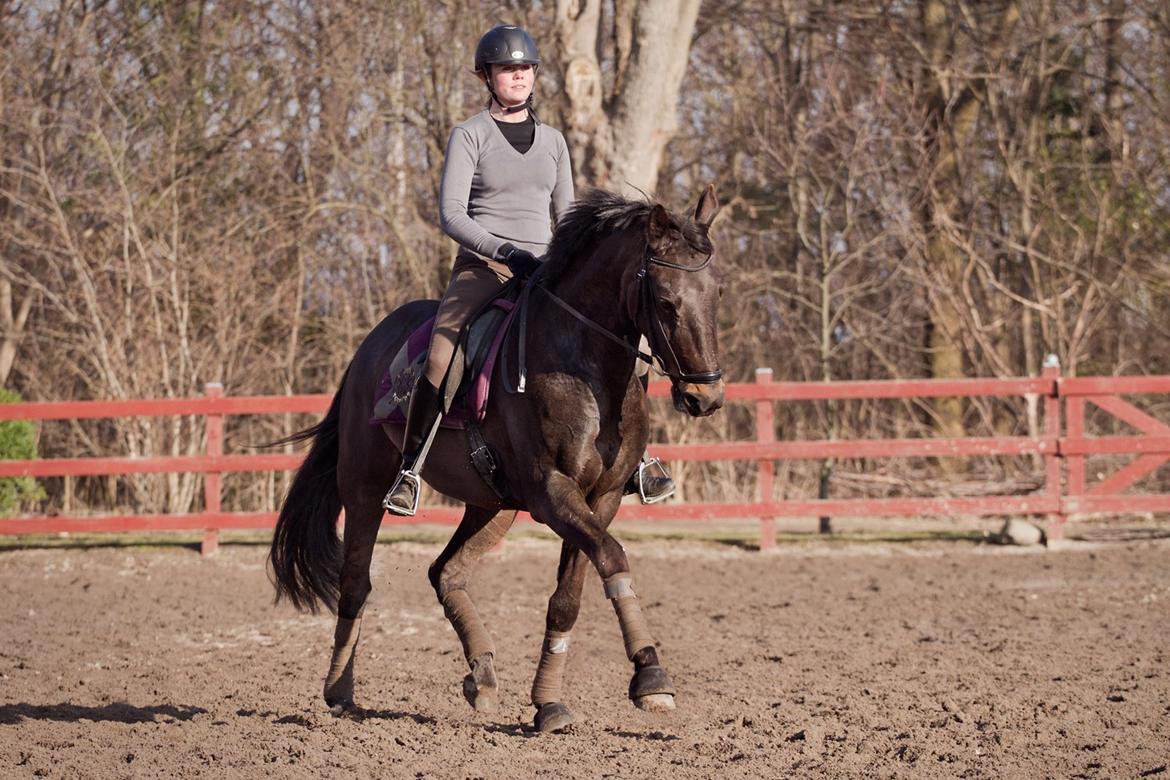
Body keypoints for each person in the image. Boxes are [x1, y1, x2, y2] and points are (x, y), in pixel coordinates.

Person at [383, 24, 674, 516]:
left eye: (524, 68)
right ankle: (410, 468)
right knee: (440, 354)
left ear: (534, 75)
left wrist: (561, 261)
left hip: (545, 271)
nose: (517, 76)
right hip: (484, 268)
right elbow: (452, 214)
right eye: (506, 69)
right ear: (487, 76)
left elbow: (568, 218)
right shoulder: (469, 135)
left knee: (629, 342)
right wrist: (503, 251)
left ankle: (637, 457)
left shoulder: (555, 141)